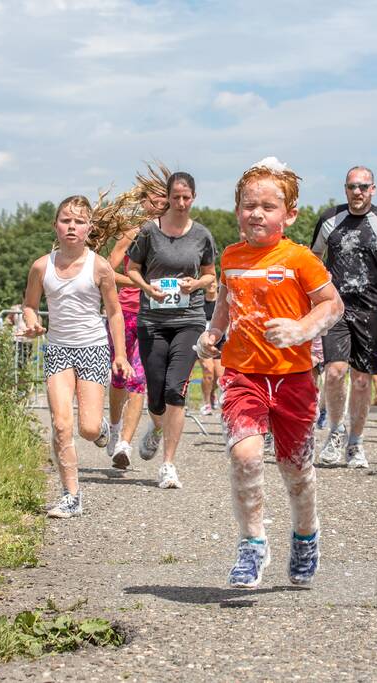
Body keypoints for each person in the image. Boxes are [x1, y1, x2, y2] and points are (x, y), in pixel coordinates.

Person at [197, 157, 343, 588]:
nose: (256, 214)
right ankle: (252, 544)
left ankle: (306, 535)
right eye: (249, 205)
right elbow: (225, 306)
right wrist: (212, 334)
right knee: (244, 457)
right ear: (237, 210)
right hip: (243, 374)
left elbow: (332, 305)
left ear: (289, 215)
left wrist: (301, 329)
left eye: (267, 206)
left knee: (296, 471)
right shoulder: (231, 257)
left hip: (293, 378)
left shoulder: (300, 259)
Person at [21, 195, 134, 518]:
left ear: (89, 228)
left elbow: (114, 312)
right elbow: (29, 305)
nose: (72, 226)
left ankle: (101, 430)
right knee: (61, 425)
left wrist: (120, 355)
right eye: (66, 220)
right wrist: (32, 322)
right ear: (55, 225)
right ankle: (71, 496)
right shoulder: (41, 266)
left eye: (79, 221)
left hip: (92, 349)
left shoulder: (99, 267)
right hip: (58, 349)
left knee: (87, 428)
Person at [311, 166, 377, 468]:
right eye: (352, 186)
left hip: (371, 308)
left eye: (363, 187)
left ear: (373, 189)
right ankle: (335, 432)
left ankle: (355, 442)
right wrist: (315, 288)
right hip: (336, 307)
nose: (357, 192)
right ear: (345, 189)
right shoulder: (329, 219)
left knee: (361, 380)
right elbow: (313, 257)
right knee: (334, 372)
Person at [127, 171, 218, 489]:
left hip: (189, 320)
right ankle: (155, 426)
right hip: (153, 322)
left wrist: (196, 283)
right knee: (155, 395)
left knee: (174, 390)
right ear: (167, 197)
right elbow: (132, 269)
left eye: (186, 197)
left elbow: (211, 274)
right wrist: (147, 289)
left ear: (194, 198)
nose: (181, 203)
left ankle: (168, 465)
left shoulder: (202, 235)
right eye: (176, 197)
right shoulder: (148, 232)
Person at [106, 184, 169, 469]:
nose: (160, 206)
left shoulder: (173, 237)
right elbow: (107, 271)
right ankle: (115, 428)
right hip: (125, 312)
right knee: (119, 376)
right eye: (154, 201)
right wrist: (140, 283)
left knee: (139, 380)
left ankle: (125, 444)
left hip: (155, 316)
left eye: (164, 202)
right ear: (143, 202)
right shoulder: (132, 233)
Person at [199, 280, 224, 416]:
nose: (211, 285)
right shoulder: (200, 302)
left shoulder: (222, 300)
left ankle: (212, 393)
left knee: (219, 376)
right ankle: (206, 402)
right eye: (209, 283)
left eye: (214, 282)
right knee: (208, 371)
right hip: (204, 341)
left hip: (219, 341)